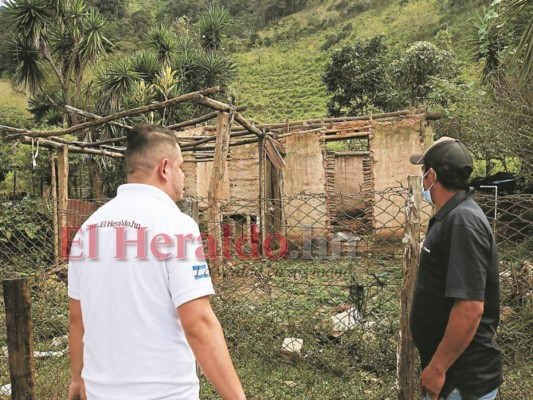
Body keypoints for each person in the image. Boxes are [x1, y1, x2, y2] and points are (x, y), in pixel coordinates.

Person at [68, 125, 246, 400]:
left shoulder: (87, 229)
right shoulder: (176, 226)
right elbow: (198, 323)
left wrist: (78, 379)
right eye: (181, 167)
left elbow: (77, 317)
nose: (183, 176)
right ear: (165, 169)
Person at [409, 137, 502, 400]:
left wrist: (438, 368)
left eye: (423, 170)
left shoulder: (462, 223)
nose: (422, 179)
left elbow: (470, 307)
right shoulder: (453, 215)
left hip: (461, 378)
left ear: (432, 175)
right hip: (452, 373)